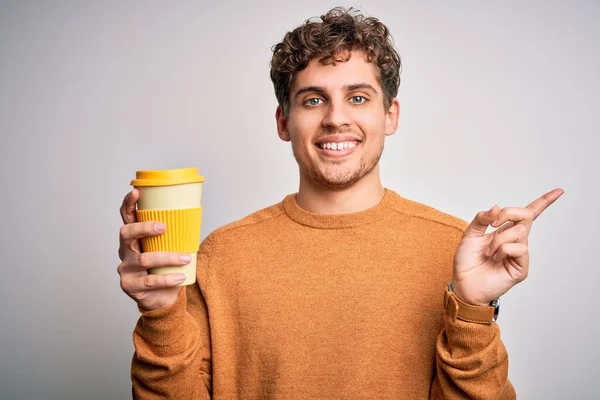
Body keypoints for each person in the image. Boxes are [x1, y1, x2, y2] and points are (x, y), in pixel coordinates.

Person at [118, 7, 563, 399]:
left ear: (390, 115)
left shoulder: (454, 250)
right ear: (283, 122)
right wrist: (160, 313)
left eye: (357, 97)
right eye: (313, 100)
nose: (335, 118)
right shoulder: (220, 256)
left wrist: (472, 313)